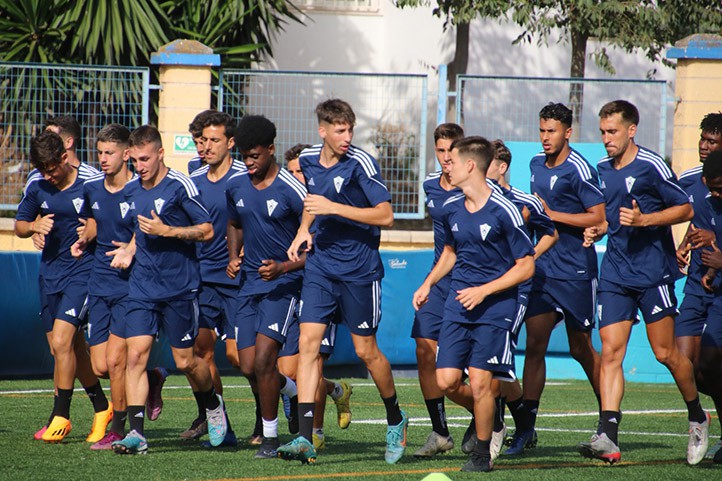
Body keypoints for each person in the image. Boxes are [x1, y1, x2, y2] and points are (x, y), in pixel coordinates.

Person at [579, 100, 709, 465]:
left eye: (613, 132)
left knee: (666, 353)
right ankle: (608, 434)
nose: (606, 139)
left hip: (653, 274)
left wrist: (645, 220)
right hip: (616, 275)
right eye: (603, 132)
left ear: (631, 130)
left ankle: (697, 415)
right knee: (610, 352)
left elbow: (685, 208)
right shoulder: (602, 169)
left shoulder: (651, 164)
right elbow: (613, 217)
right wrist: (599, 227)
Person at [279, 99, 406, 465]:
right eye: (339, 130)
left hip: (360, 272)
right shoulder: (307, 160)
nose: (347, 136)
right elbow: (311, 202)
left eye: (350, 129)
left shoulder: (361, 163)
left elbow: (386, 215)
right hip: (320, 269)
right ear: (323, 131)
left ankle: (396, 418)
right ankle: (304, 438)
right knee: (308, 346)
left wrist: (334, 208)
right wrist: (303, 230)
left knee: (367, 351)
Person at [413, 136, 535, 472]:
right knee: (447, 380)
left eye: (452, 161)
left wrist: (485, 291)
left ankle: (482, 452)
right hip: (458, 305)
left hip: (496, 309)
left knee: (481, 381)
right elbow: (450, 252)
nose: (445, 166)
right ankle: (494, 419)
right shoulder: (451, 207)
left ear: (470, 165)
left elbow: (526, 265)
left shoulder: (504, 210)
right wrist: (428, 283)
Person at [110, 125, 227, 454]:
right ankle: (136, 434)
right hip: (142, 288)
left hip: (180, 288)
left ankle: (213, 406)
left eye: (145, 159)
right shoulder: (132, 190)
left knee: (187, 361)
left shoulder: (181, 186)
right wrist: (130, 249)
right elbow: (140, 229)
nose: (140, 166)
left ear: (160, 153)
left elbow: (206, 231)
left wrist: (168, 230)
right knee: (135, 356)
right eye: (134, 160)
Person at [510, 102, 605, 455]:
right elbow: (542, 215)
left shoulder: (579, 167)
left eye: (551, 131)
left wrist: (553, 214)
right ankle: (527, 428)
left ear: (568, 131)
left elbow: (597, 216)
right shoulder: (535, 163)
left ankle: (607, 421)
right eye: (542, 130)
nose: (545, 137)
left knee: (581, 349)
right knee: (534, 346)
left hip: (576, 271)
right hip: (544, 270)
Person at [72, 124, 168, 449]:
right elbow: (94, 220)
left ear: (126, 154)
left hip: (131, 287)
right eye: (99, 152)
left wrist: (131, 247)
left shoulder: (139, 191)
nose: (102, 159)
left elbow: (147, 231)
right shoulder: (92, 189)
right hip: (99, 285)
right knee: (100, 365)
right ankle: (153, 377)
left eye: (109, 153)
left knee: (117, 362)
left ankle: (119, 428)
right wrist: (85, 236)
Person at [15, 131, 111, 443]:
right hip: (50, 274)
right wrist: (33, 227)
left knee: (61, 341)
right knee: (66, 348)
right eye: (41, 169)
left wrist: (94, 227)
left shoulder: (92, 184)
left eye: (51, 168)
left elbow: (110, 219)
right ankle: (101, 406)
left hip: (83, 272)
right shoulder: (37, 184)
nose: (47, 175)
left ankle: (61, 415)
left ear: (64, 157)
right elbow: (19, 225)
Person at [226, 115, 303, 459]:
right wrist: (232, 256)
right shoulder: (237, 187)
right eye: (244, 156)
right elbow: (233, 223)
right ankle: (296, 391)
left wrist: (285, 266)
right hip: (249, 285)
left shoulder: (293, 189)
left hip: (284, 285)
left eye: (255, 155)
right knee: (247, 366)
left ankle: (270, 440)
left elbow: (316, 242)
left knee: (263, 361)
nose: (249, 162)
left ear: (271, 150)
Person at [485, 139, 557, 459]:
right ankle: (514, 424)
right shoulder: (475, 199)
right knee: (484, 359)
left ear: (501, 167)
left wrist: (527, 258)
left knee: (499, 359)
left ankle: (511, 426)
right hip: (484, 289)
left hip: (516, 291)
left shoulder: (524, 200)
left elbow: (550, 233)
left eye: (484, 162)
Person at [281, 143, 354, 451]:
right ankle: (338, 391)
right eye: (293, 171)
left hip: (321, 287)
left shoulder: (323, 203)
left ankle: (315, 432)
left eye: (302, 171)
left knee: (312, 363)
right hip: (287, 290)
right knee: (286, 371)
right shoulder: (284, 198)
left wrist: (286, 264)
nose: (299, 176)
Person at [411, 123, 473, 458]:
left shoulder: (476, 188)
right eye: (440, 151)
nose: (446, 157)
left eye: (452, 150)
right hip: (439, 281)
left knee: (461, 371)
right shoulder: (430, 186)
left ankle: (486, 416)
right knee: (423, 348)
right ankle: (440, 432)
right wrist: (428, 282)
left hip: (471, 285)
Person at [187, 111, 245, 447]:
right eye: (201, 141)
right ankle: (218, 423)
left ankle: (268, 414)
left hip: (238, 280)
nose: (205, 147)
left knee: (243, 359)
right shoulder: (192, 178)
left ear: (230, 142)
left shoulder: (243, 177)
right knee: (200, 351)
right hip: (202, 278)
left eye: (212, 140)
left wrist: (242, 255)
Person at [675, 113, 722, 402]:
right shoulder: (690, 180)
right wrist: (683, 244)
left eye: (712, 141)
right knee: (684, 366)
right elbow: (696, 221)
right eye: (702, 139)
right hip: (696, 284)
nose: (704, 146)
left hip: (718, 289)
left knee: (710, 366)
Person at [695, 150, 722, 464]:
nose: (716, 193)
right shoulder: (707, 204)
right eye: (711, 186)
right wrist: (713, 271)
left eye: (720, 187)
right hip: (718, 297)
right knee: (705, 365)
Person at [187, 110, 215, 175]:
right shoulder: (194, 166)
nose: (199, 149)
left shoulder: (240, 172)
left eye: (202, 143)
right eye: (195, 143)